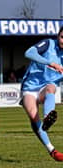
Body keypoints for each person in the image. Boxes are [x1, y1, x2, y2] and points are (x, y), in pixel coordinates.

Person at [20, 26, 63, 161]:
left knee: (51, 87)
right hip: (30, 87)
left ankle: (48, 117)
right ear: (58, 36)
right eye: (62, 37)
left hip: (46, 87)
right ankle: (51, 150)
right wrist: (50, 63)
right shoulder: (49, 44)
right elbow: (29, 53)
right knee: (33, 116)